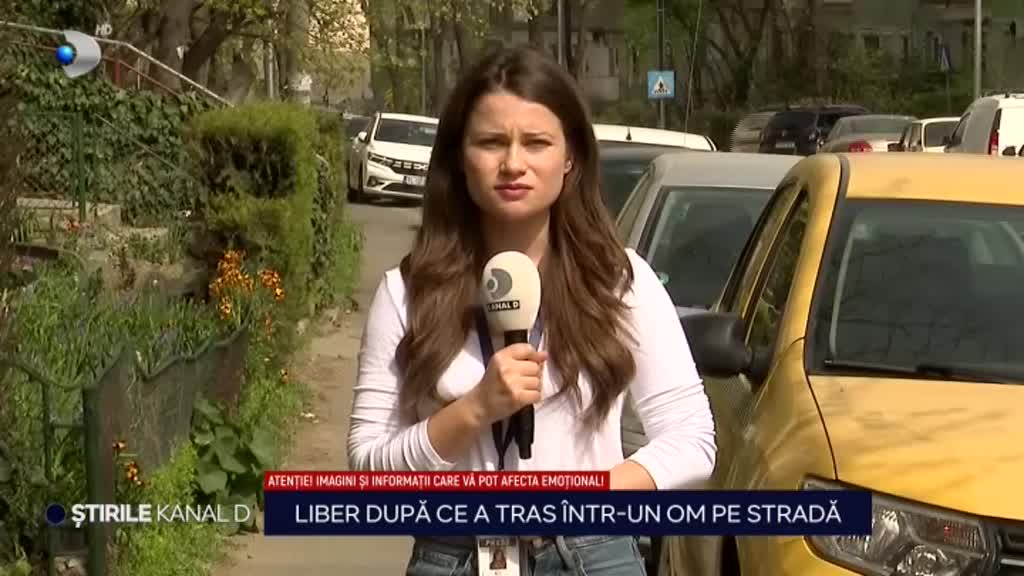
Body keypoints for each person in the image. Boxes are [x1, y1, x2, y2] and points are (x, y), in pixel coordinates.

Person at [347, 45, 716, 576]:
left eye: (536, 142)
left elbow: (692, 441)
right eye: (491, 142)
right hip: (454, 554)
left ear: (570, 158)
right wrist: (474, 409)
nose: (513, 164)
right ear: (459, 157)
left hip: (593, 552)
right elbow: (368, 472)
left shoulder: (621, 281)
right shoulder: (406, 291)